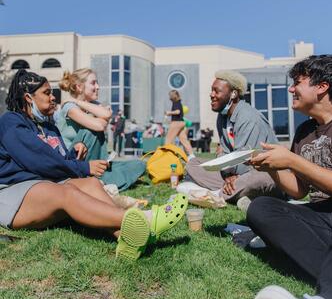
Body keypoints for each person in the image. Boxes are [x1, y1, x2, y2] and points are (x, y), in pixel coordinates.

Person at [0, 69, 188, 261]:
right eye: (47, 93)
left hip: (44, 186)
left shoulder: (49, 127)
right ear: (28, 98)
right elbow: (40, 161)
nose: (53, 97)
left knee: (92, 184)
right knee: (68, 193)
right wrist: (84, 167)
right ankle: (147, 220)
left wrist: (74, 153)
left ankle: (127, 238)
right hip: (12, 194)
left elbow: (57, 161)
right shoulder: (11, 122)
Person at [248, 55, 332, 299]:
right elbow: (299, 190)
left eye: (297, 82)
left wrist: (293, 161)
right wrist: (273, 167)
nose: (290, 89)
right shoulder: (305, 130)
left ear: (322, 86)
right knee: (261, 208)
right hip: (323, 215)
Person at [185, 70, 282, 204]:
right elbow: (224, 153)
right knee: (193, 164)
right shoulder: (222, 117)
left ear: (234, 94)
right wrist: (228, 175)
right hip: (234, 172)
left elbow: (246, 158)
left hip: (263, 171)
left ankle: (215, 195)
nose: (211, 95)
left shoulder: (248, 117)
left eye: (216, 91)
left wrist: (232, 174)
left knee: (253, 180)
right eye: (211, 90)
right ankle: (232, 192)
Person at [57, 69, 145, 190]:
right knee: (90, 130)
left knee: (139, 164)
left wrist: (77, 100)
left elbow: (107, 114)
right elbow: (99, 126)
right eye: (93, 83)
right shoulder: (69, 107)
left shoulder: (85, 104)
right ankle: (96, 181)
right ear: (79, 87)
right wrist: (96, 118)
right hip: (73, 162)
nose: (98, 87)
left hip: (94, 159)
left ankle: (101, 180)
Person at [165, 90, 195, 159]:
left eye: (170, 95)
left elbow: (178, 112)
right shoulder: (179, 102)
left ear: (173, 96)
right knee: (183, 139)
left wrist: (169, 113)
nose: (169, 97)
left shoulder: (176, 103)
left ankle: (167, 155)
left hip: (176, 123)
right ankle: (191, 155)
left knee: (168, 139)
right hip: (181, 123)